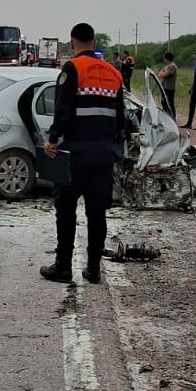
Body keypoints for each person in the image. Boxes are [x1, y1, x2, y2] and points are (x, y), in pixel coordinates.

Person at [40, 23, 126, 285]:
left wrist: (52, 139)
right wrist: (116, 150)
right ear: (95, 41)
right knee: (97, 213)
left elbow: (64, 109)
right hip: (104, 154)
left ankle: (63, 267)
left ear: (72, 42)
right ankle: (94, 269)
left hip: (76, 152)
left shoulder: (72, 68)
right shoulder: (114, 73)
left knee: (66, 209)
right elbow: (120, 118)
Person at [157, 52, 178, 117]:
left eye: (164, 59)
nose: (164, 60)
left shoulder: (172, 66)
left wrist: (161, 73)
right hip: (164, 87)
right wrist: (161, 73)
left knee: (169, 104)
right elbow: (160, 73)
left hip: (169, 88)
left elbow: (164, 74)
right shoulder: (167, 66)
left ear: (167, 59)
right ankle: (166, 116)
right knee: (164, 102)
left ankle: (172, 117)